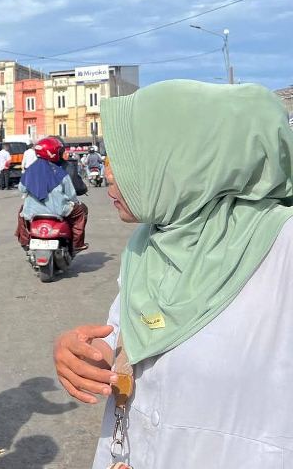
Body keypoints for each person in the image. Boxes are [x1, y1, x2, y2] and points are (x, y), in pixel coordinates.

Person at [54, 81, 293, 468]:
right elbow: (139, 334)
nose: (110, 175)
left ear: (187, 160)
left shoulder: (283, 248)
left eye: (130, 157)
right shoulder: (148, 243)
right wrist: (90, 354)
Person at [18, 137, 88, 252]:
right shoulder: (61, 172)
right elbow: (71, 195)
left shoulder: (30, 170)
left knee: (21, 213)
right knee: (81, 210)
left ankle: (25, 241)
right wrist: (76, 203)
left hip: (32, 212)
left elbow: (22, 189)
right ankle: (77, 244)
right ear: (53, 152)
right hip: (59, 210)